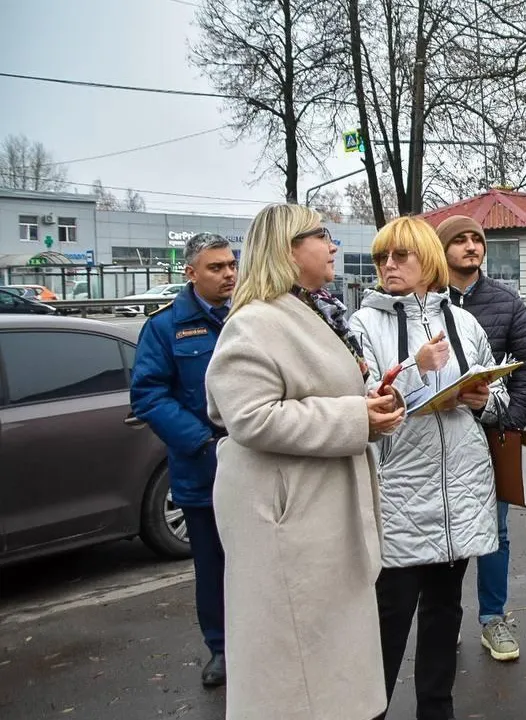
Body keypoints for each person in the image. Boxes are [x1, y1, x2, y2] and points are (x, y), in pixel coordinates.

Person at [205, 204, 404, 720]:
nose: (334, 245)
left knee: (328, 658)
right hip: (288, 518)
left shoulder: (314, 309)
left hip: (318, 509)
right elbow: (249, 417)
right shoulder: (255, 322)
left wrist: (370, 400)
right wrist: (356, 417)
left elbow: (317, 389)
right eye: (323, 235)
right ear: (289, 248)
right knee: (296, 672)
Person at [350, 216, 509, 720]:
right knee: (389, 617)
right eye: (382, 258)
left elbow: (499, 397)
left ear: (428, 261)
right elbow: (365, 403)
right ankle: (369, 711)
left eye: (400, 256)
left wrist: (484, 398)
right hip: (399, 491)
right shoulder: (362, 325)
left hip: (460, 490)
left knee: (445, 613)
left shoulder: (463, 322)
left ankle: (436, 710)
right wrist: (418, 370)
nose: (388, 266)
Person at [130, 233, 238, 688]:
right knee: (212, 566)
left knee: (260, 562)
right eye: (216, 268)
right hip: (204, 468)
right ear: (190, 273)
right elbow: (149, 396)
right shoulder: (165, 327)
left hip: (258, 462)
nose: (229, 274)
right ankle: (221, 649)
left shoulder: (249, 315)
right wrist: (203, 443)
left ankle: (263, 642)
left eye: (232, 264)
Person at [436, 214, 526, 662]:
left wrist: (511, 421)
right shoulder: (425, 303)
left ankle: (493, 618)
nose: (470, 247)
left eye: (475, 240)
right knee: (442, 530)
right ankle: (443, 619)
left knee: (494, 530)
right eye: (458, 240)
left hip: (491, 436)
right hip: (439, 439)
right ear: (442, 251)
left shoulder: (506, 302)